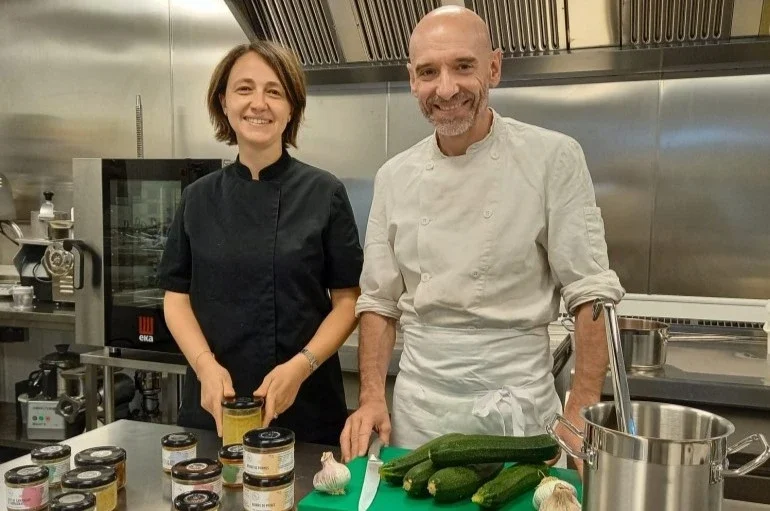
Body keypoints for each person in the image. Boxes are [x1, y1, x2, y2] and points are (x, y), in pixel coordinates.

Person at [340, 5, 624, 470]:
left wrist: (580, 409)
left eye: (463, 66)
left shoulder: (552, 157)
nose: (446, 88)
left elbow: (590, 291)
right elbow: (377, 301)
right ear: (412, 79)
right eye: (429, 72)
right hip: (419, 416)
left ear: (494, 67)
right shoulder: (394, 176)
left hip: (521, 418)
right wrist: (372, 396)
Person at [158, 40, 363, 445]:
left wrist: (301, 366)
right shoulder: (197, 197)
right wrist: (205, 367)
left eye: (274, 91)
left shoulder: (324, 192)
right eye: (244, 88)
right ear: (224, 102)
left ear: (291, 108)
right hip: (215, 401)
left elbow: (349, 300)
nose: (259, 103)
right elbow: (175, 297)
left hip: (306, 403)